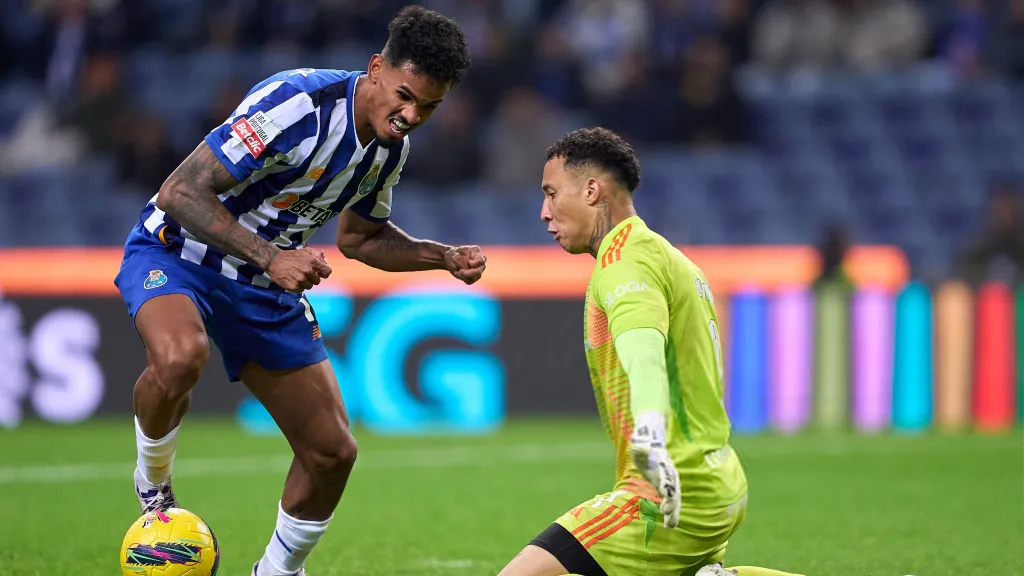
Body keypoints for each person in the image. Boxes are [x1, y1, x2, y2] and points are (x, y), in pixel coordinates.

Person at [113, 6, 483, 576]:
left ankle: (278, 571)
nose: (411, 115)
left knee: (333, 452)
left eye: (428, 107)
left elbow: (361, 239)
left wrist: (442, 257)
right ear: (377, 67)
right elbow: (180, 190)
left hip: (263, 285)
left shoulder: (388, 150)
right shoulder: (297, 104)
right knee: (182, 354)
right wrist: (270, 255)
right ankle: (154, 488)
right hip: (179, 251)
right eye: (405, 95)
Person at [498, 127, 802, 576]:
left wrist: (650, 435)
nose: (544, 213)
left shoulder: (625, 262)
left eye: (550, 193)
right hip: (714, 476)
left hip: (669, 487)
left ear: (591, 190)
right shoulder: (663, 254)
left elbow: (644, 354)